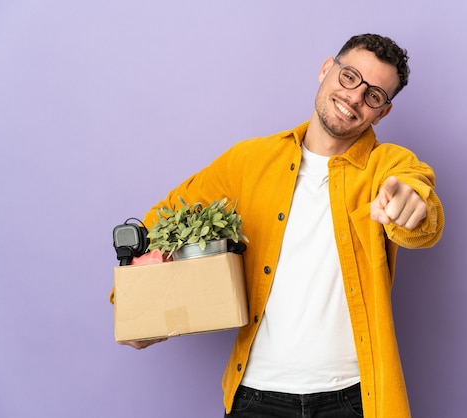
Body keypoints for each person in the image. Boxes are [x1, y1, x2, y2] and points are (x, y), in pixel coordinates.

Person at [118, 33, 444, 417]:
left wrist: (411, 206)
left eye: (374, 96)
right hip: (255, 398)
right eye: (350, 77)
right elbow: (165, 219)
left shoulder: (388, 165)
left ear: (382, 112)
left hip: (354, 399)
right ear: (327, 69)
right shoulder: (250, 161)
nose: (355, 97)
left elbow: (420, 210)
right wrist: (139, 310)